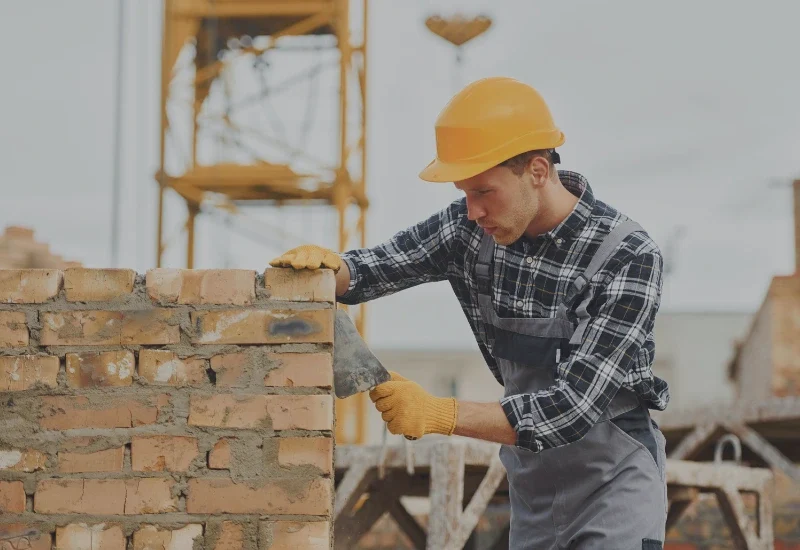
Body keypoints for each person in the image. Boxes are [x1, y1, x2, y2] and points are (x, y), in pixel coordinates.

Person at [270, 76, 669, 550]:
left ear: (538, 170)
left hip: (614, 481)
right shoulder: (471, 231)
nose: (473, 210)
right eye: (464, 193)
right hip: (534, 486)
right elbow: (379, 267)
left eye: (484, 191)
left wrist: (439, 412)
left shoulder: (627, 256)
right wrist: (328, 272)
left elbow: (573, 408)